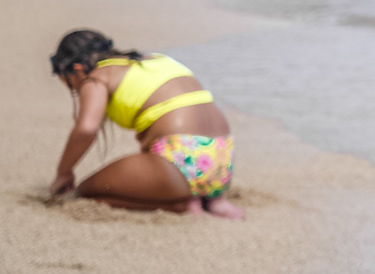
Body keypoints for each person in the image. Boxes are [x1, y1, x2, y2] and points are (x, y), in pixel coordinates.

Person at [46, 29, 244, 220]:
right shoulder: (156, 60)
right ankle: (213, 199)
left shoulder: (96, 77)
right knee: (159, 169)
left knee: (86, 191)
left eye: (63, 76)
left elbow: (87, 128)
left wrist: (64, 172)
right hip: (221, 157)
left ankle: (180, 204)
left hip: (179, 157)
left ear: (76, 69)